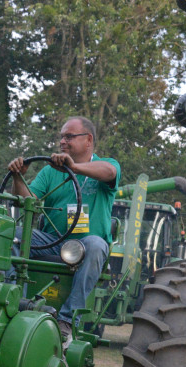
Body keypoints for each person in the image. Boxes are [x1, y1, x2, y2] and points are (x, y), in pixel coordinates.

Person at [7, 116, 121, 340]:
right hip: (50, 243)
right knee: (13, 234)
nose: (62, 141)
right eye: (61, 137)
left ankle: (67, 320)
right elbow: (27, 201)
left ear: (88, 140)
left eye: (69, 136)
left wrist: (75, 167)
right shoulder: (50, 172)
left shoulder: (106, 165)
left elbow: (110, 172)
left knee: (97, 244)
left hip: (84, 246)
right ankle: (13, 300)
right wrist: (17, 177)